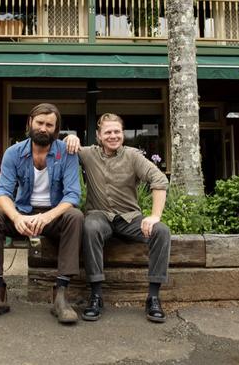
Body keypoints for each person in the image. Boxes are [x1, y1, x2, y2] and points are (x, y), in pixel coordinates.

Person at [0, 103, 83, 324]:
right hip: (23, 213)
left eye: (49, 125)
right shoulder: (13, 153)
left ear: (56, 128)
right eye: (39, 123)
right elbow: (3, 191)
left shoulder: (66, 153)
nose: (43, 128)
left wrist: (47, 216)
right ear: (30, 123)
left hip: (54, 217)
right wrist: (16, 217)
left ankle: (61, 294)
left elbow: (72, 195)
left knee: (76, 216)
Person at [64, 113, 170, 323]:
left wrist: (155, 216)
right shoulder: (88, 154)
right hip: (100, 216)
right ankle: (96, 295)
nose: (113, 136)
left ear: (122, 134)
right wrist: (70, 138)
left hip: (130, 218)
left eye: (117, 132)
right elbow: (63, 148)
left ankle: (153, 297)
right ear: (98, 136)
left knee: (162, 231)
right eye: (108, 132)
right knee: (90, 226)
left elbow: (158, 179)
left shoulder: (133, 156)